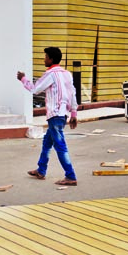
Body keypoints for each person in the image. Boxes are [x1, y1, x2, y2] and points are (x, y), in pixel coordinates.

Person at [16, 46, 78, 186]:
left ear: (51, 59)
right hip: (62, 114)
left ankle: (70, 175)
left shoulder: (50, 75)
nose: (44, 59)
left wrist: (23, 79)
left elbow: (35, 89)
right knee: (47, 142)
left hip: (55, 115)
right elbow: (72, 93)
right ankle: (41, 170)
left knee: (60, 146)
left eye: (45, 57)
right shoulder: (67, 74)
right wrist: (74, 113)